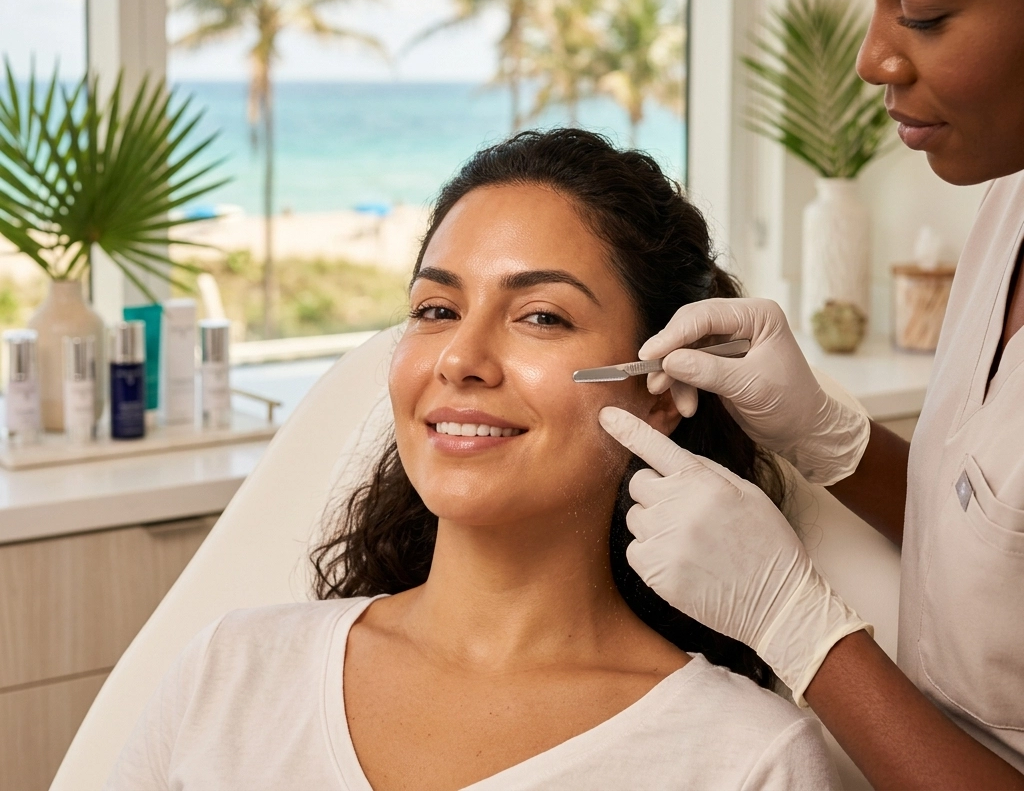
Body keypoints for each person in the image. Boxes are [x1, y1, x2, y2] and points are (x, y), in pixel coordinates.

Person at [106, 129, 841, 790]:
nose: (460, 358)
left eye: (542, 316)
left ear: (660, 388)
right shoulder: (229, 671)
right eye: (436, 310)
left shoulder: (744, 759)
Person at [598, 0, 1024, 788]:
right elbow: (994, 547)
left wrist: (798, 625)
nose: (874, 57)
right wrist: (828, 437)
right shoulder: (1008, 197)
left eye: (923, 10)